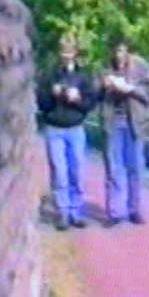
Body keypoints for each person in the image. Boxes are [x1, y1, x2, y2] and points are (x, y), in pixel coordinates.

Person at [37, 33, 97, 230]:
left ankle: (75, 212)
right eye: (63, 51)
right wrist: (52, 95)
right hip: (54, 129)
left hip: (75, 129)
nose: (66, 55)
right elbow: (41, 104)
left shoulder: (83, 76)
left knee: (77, 172)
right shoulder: (50, 75)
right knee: (60, 173)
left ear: (75, 53)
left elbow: (90, 104)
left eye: (69, 51)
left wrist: (77, 98)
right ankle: (62, 212)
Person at [99, 39, 149, 226]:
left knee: (135, 167)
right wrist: (104, 86)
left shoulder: (141, 67)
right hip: (113, 122)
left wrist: (131, 89)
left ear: (129, 52)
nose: (119, 56)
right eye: (116, 51)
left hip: (134, 123)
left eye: (122, 51)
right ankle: (115, 212)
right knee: (114, 167)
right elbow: (92, 93)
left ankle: (134, 210)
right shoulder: (105, 68)